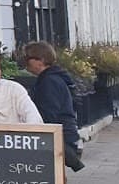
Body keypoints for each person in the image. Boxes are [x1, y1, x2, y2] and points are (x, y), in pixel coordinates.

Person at [21, 42, 83, 171]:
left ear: (41, 60)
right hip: (66, 134)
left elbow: (48, 115)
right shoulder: (53, 78)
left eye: (27, 58)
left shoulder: (49, 81)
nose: (25, 62)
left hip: (60, 137)